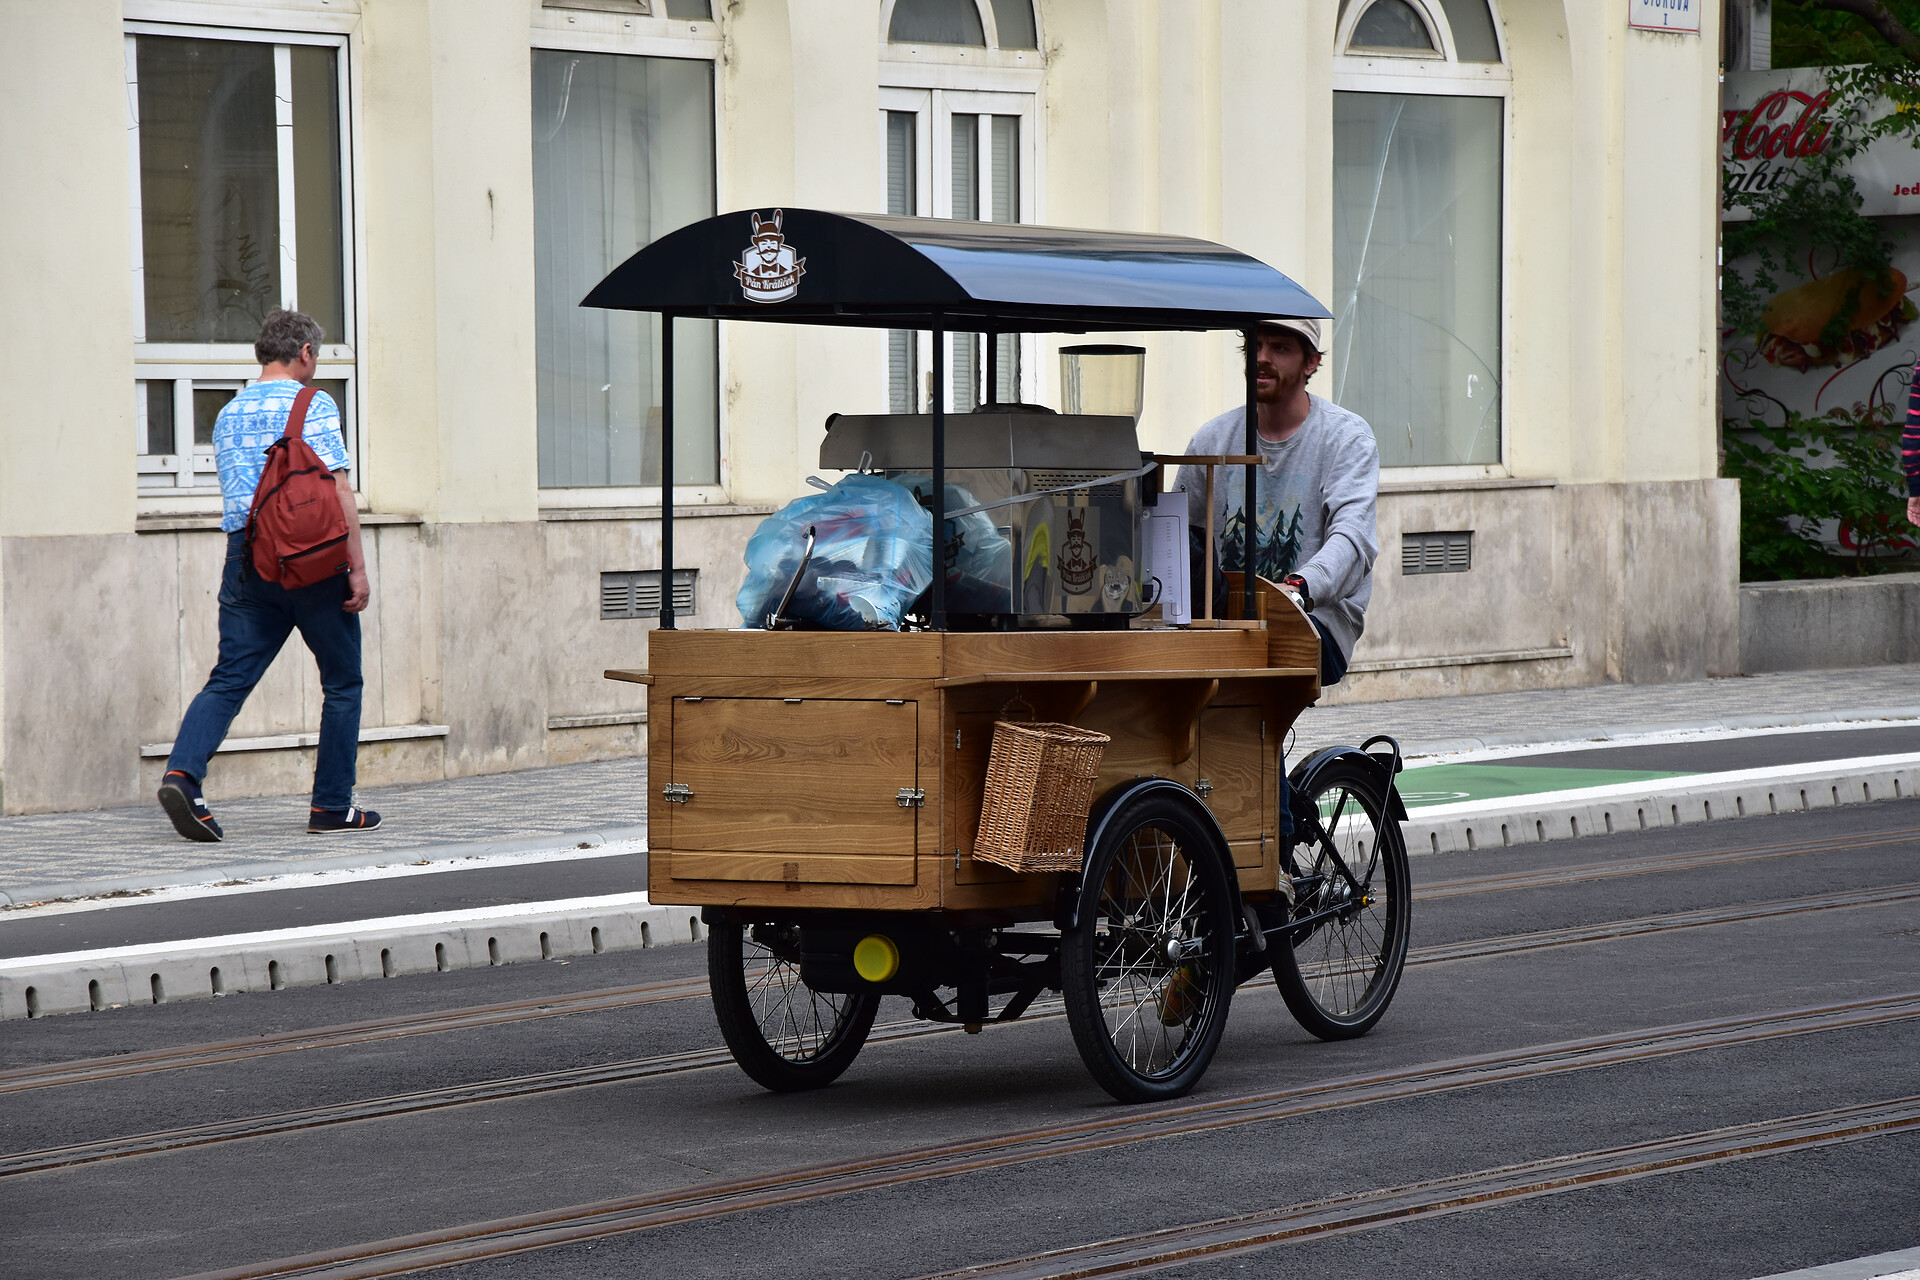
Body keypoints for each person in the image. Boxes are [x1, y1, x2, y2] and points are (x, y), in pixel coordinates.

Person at [157, 310, 381, 841]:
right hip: (312, 562)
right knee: (343, 682)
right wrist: (358, 568)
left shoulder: (230, 411)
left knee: (230, 677)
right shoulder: (313, 402)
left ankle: (183, 776)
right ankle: (331, 807)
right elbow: (337, 492)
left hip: (246, 559)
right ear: (304, 352)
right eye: (317, 355)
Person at [1173, 317, 1379, 685]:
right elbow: (1178, 535)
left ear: (1311, 362)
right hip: (1224, 619)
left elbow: (1353, 539)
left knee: (1256, 660)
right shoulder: (1212, 439)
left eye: (1280, 348)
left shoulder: (1346, 438)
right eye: (1255, 346)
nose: (1262, 358)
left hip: (1315, 622)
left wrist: (1300, 587)